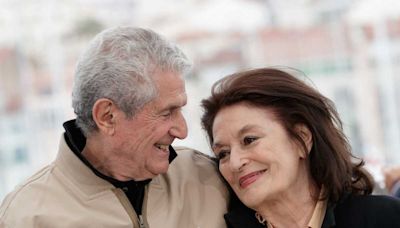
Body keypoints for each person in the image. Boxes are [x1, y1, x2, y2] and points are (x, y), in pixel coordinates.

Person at [0, 27, 228, 228]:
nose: (182, 130)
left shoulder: (209, 176)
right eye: (167, 112)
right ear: (107, 117)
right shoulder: (26, 218)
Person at [201, 67, 400, 228]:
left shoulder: (384, 218)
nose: (235, 162)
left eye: (249, 140)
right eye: (223, 154)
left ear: (302, 139)